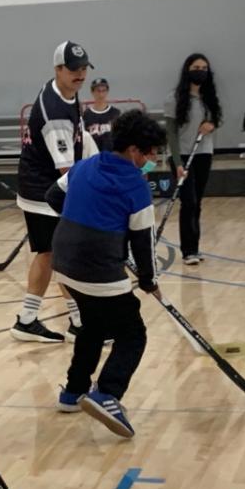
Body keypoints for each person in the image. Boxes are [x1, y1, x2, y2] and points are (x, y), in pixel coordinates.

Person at [46, 110, 166, 438]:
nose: (152, 159)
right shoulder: (136, 186)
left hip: (65, 262)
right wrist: (148, 280)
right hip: (98, 268)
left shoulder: (85, 165)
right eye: (150, 152)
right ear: (133, 150)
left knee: (93, 327)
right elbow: (143, 243)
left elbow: (53, 196)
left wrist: (79, 220)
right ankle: (107, 393)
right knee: (132, 334)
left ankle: (73, 393)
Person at [11, 41, 99, 344]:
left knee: (49, 254)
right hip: (44, 192)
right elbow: (67, 174)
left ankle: (27, 319)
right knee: (62, 255)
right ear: (58, 69)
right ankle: (79, 322)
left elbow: (79, 140)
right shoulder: (55, 113)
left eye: (84, 68)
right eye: (74, 69)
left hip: (44, 185)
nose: (80, 75)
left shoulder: (66, 93)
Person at [165, 53, 223, 265]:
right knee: (188, 202)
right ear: (188, 70)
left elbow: (216, 120)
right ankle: (187, 250)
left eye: (204, 68)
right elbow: (171, 133)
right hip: (183, 155)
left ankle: (195, 248)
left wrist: (211, 125)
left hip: (203, 153)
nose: (200, 70)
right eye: (196, 67)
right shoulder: (174, 98)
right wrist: (178, 162)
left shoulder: (209, 98)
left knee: (197, 202)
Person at [85, 78, 122, 152]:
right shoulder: (86, 115)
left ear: (107, 92)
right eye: (98, 91)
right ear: (92, 92)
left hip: (111, 157)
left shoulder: (115, 113)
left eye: (103, 91)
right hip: (94, 158)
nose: (101, 94)